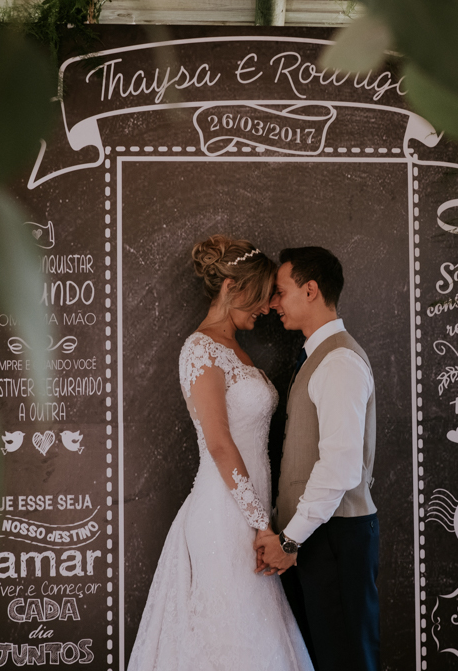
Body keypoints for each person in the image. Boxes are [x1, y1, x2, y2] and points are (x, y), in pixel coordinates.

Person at [128, 235, 313, 671]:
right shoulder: (200, 348)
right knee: (229, 636)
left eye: (272, 296)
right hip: (224, 515)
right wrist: (260, 525)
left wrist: (265, 523)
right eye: (261, 295)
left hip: (251, 516)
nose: (268, 306)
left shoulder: (237, 351)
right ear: (231, 287)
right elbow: (218, 443)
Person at [256, 246, 380, 671]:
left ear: (310, 291)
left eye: (281, 292)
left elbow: (341, 466)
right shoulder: (315, 357)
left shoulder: (340, 361)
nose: (274, 305)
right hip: (315, 538)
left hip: (334, 538)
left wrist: (291, 540)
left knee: (344, 659)